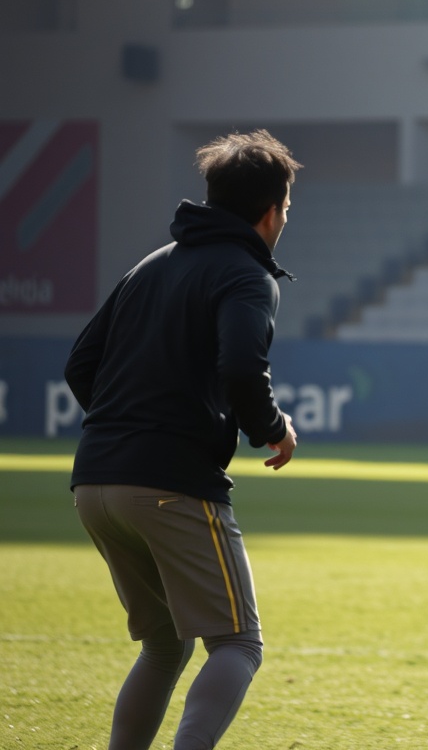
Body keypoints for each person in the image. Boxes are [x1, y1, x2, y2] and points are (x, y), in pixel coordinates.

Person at [64, 129, 302, 749]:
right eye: (286, 209)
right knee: (238, 643)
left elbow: (79, 366)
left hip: (93, 483)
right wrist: (272, 429)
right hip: (170, 484)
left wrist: (127, 429)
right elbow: (244, 368)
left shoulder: (149, 265)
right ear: (272, 210)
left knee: (165, 643)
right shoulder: (250, 276)